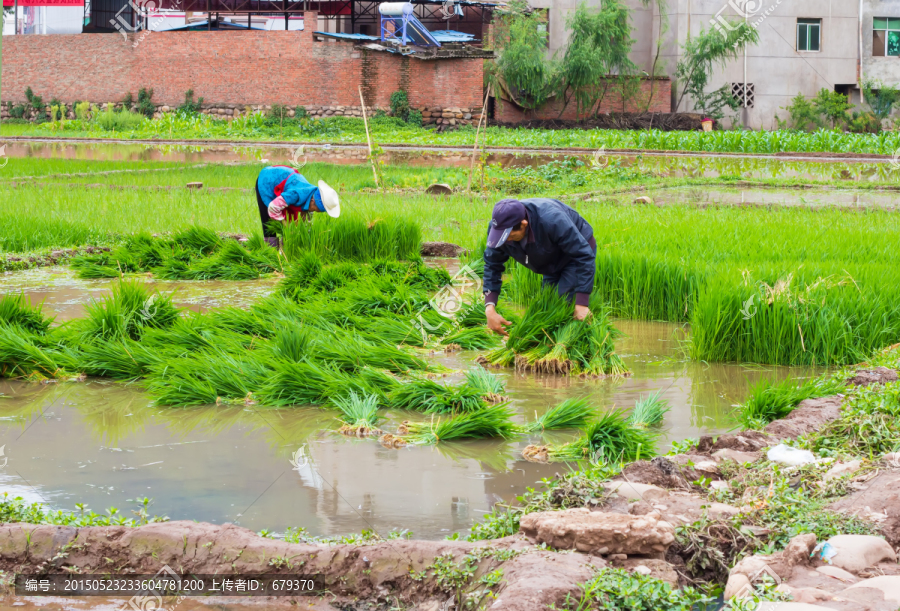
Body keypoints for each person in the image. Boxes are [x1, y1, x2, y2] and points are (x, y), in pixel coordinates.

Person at [483, 198, 597, 336]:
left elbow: (583, 255)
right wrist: (489, 307)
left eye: (509, 236)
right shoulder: (498, 230)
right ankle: (549, 345)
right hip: (548, 257)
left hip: (574, 254)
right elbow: (492, 265)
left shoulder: (551, 220)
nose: (505, 241)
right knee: (547, 307)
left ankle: (576, 345)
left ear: (524, 224)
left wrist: (582, 303)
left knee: (563, 304)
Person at [256, 166, 341, 247]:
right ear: (312, 201)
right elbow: (273, 207)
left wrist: (305, 236)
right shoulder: (296, 194)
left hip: (286, 188)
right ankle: (271, 252)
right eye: (315, 210)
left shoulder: (310, 198)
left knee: (292, 222)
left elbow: (306, 223)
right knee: (269, 223)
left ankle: (284, 251)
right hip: (267, 182)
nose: (313, 211)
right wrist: (284, 225)